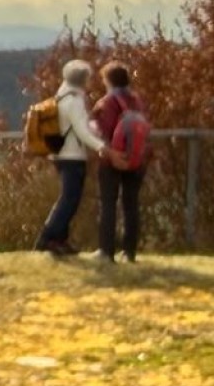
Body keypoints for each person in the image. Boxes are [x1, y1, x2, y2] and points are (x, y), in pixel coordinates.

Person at [34, 59, 114, 256]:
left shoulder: (61, 97)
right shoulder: (75, 101)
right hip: (72, 156)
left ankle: (60, 240)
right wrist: (102, 147)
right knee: (69, 200)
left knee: (68, 198)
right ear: (83, 80)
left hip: (59, 155)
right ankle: (47, 238)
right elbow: (82, 131)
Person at [91, 61, 147, 264]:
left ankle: (107, 251)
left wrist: (107, 151)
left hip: (112, 160)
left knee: (108, 204)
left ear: (109, 81)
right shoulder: (137, 101)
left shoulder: (108, 102)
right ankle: (129, 252)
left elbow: (101, 130)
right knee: (131, 205)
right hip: (136, 159)